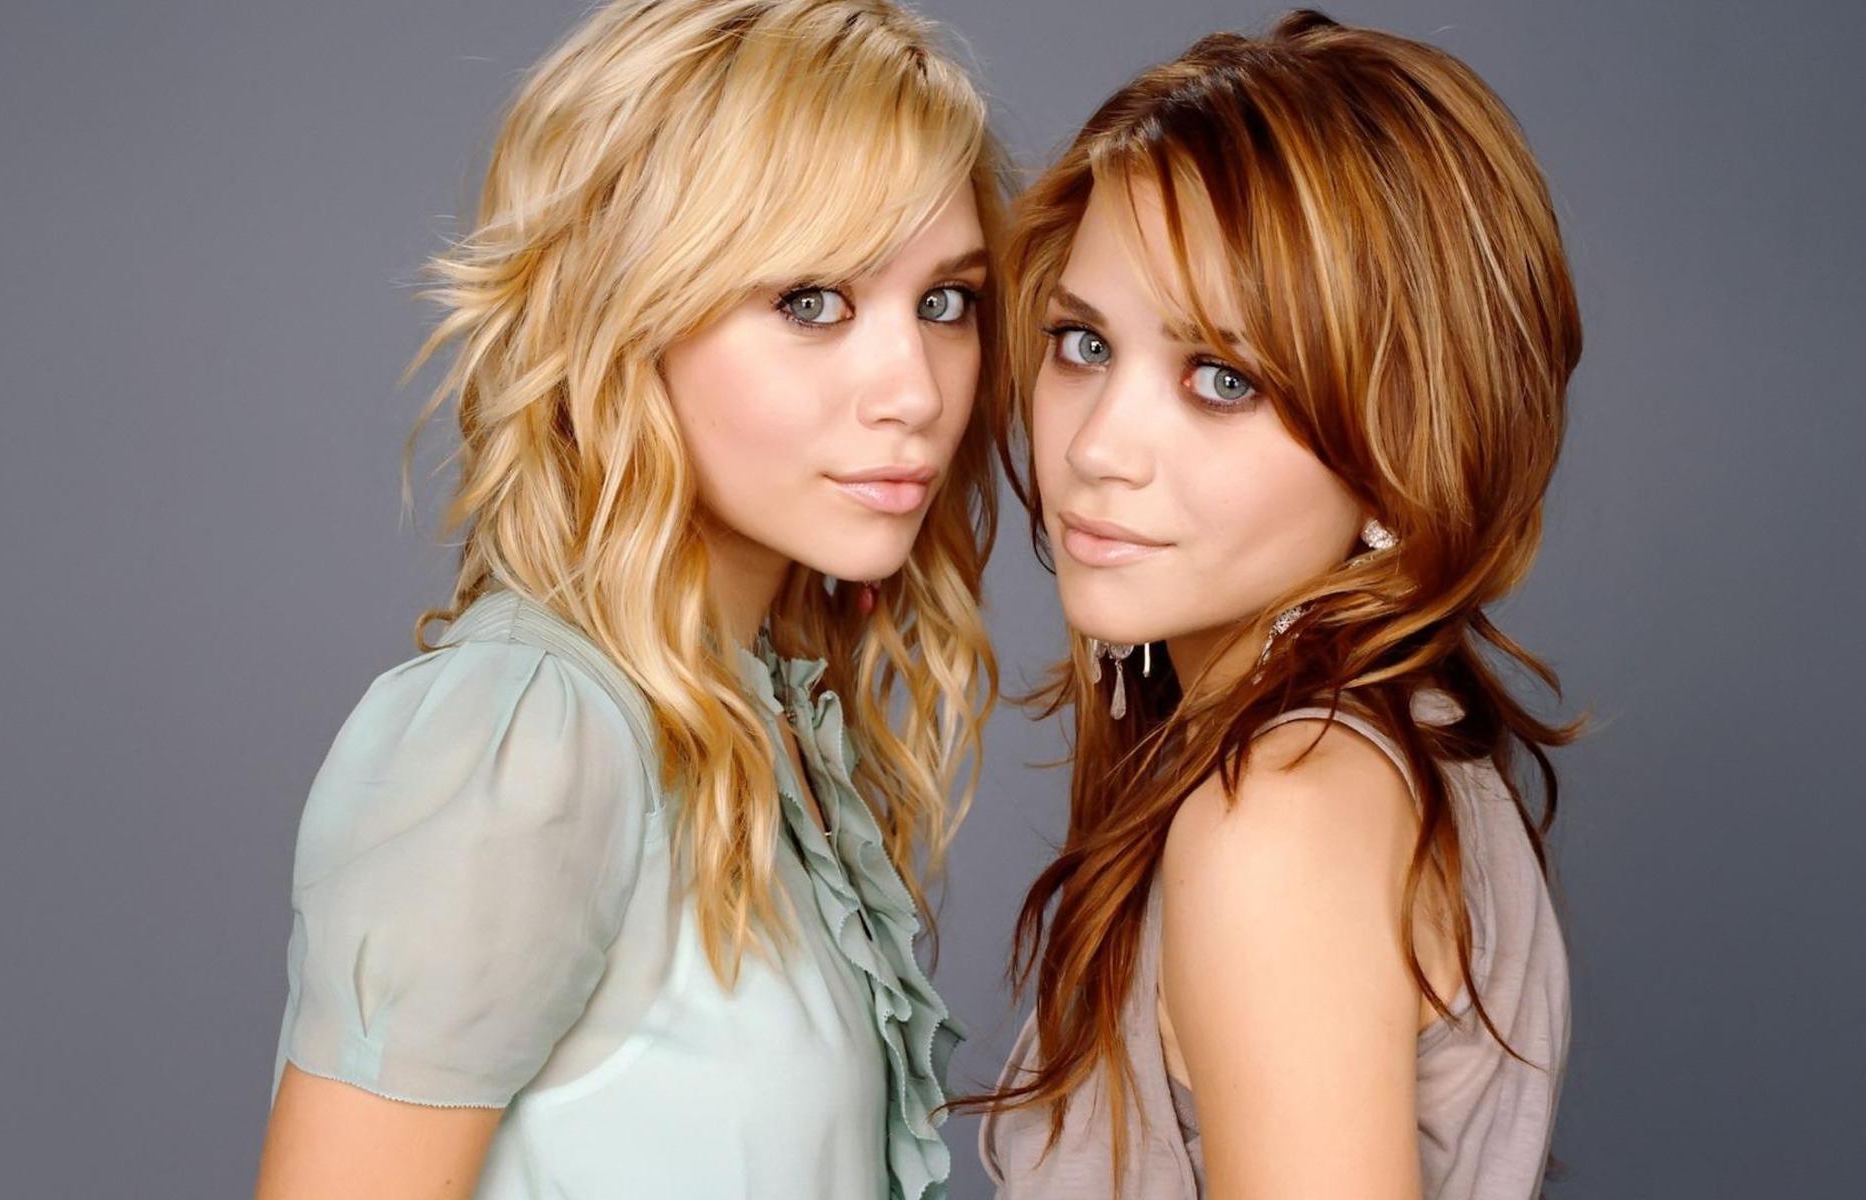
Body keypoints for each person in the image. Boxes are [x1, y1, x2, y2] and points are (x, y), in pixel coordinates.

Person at [253, 2, 1005, 1196]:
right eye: (812, 301)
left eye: (945, 302)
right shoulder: (527, 740)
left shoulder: (764, 717)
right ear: (629, 309)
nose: (913, 389)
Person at [974, 11, 1578, 1198]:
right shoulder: (1371, 754)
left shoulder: (1283, 817)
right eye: (1083, 343)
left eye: (1222, 379)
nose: (1097, 448)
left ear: (1404, 450)